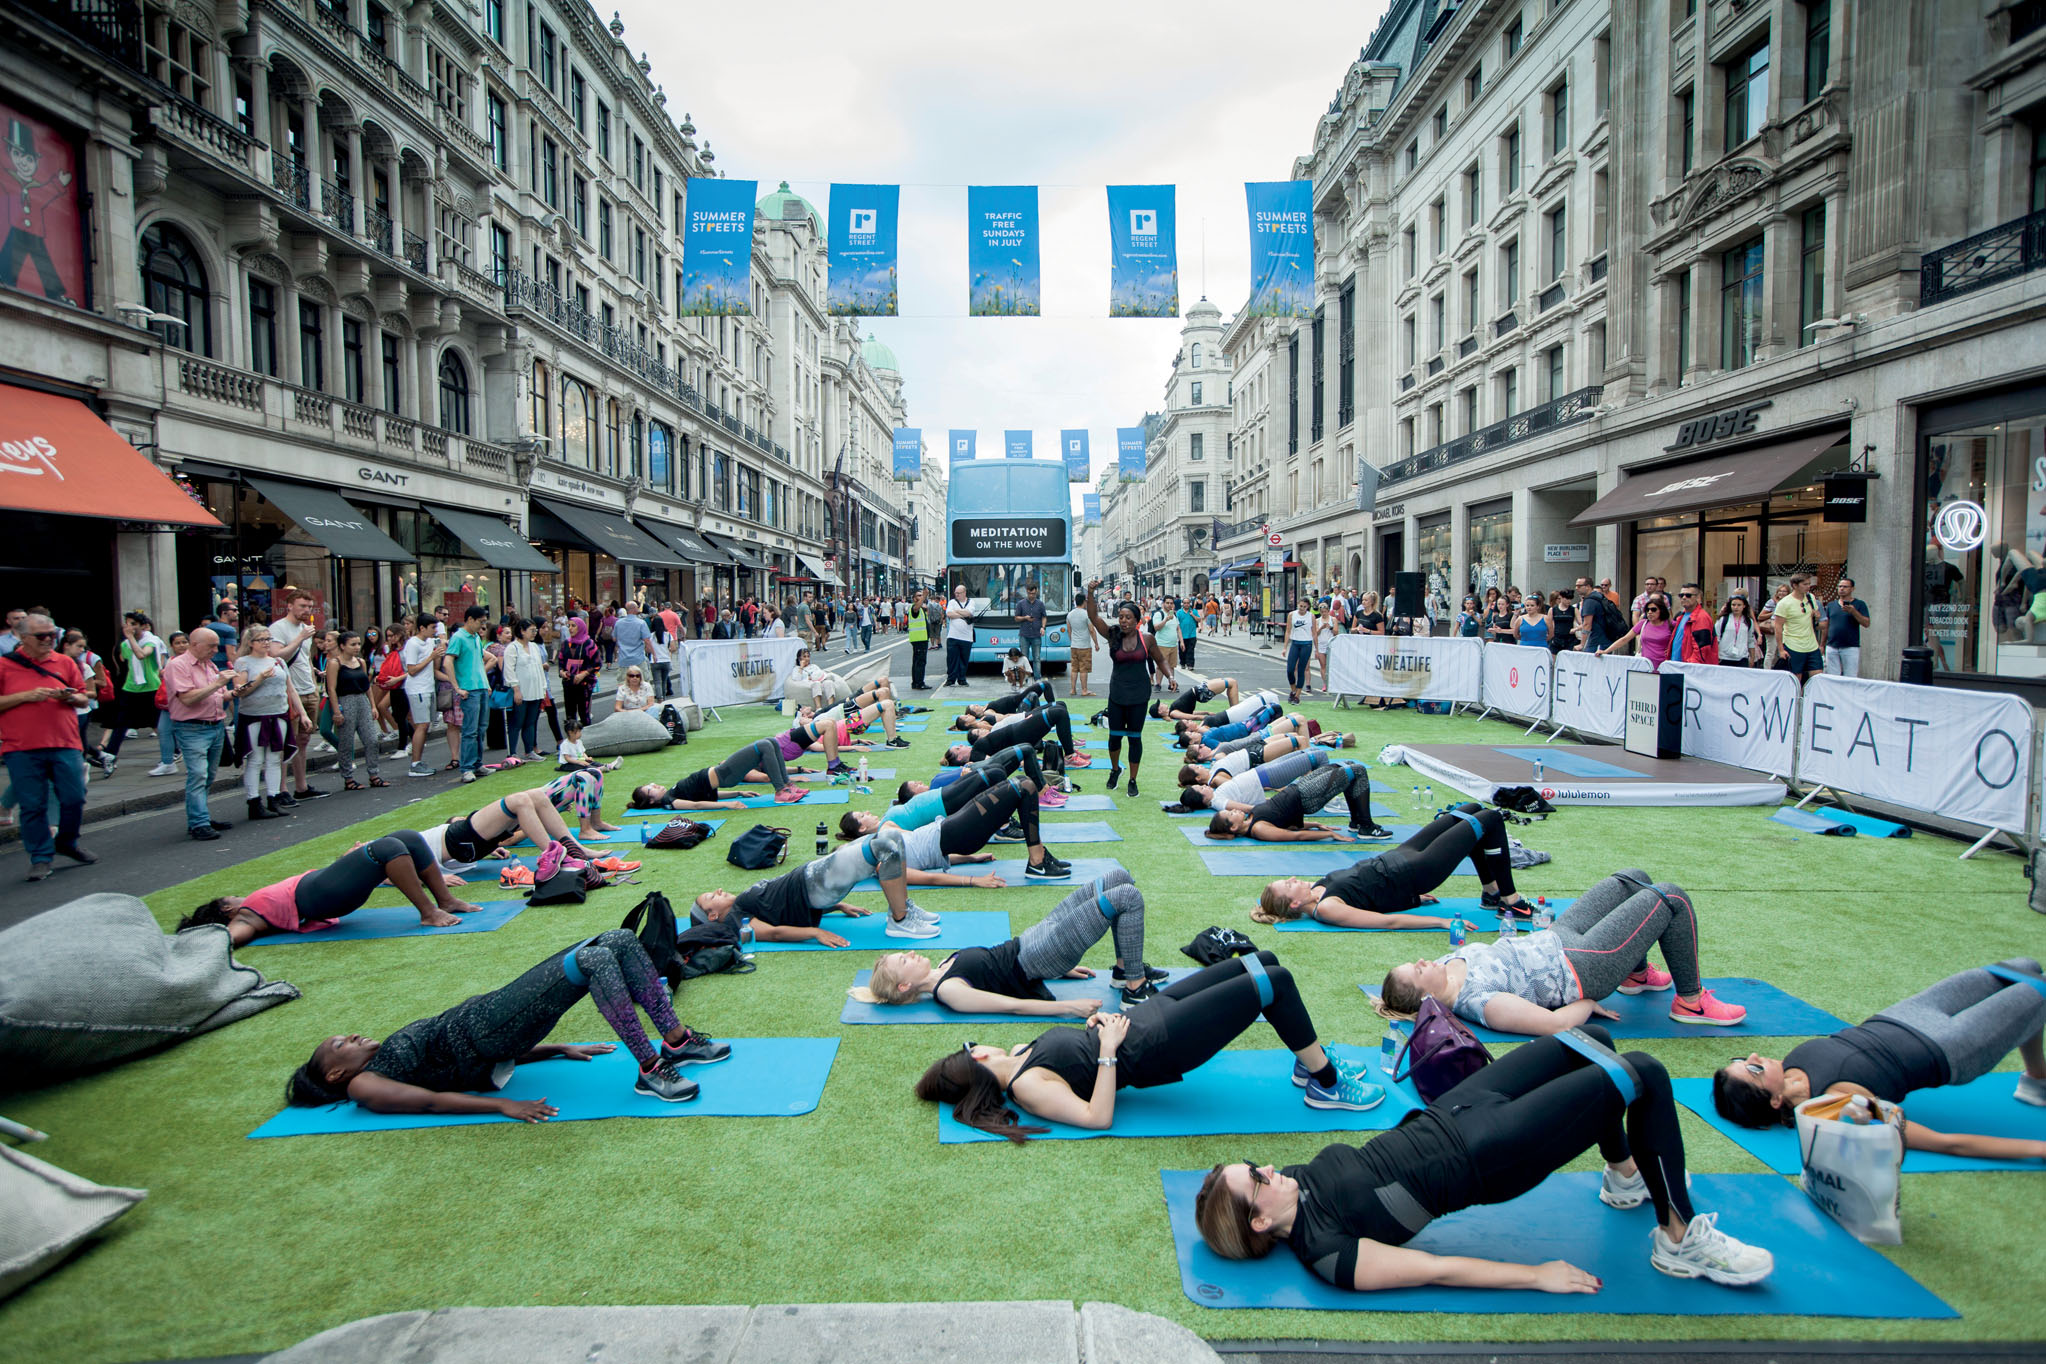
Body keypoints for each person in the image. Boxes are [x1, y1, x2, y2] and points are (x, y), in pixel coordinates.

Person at [1194, 1027, 1776, 1291]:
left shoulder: (1289, 1188)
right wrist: (1536, 1277)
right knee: (1643, 1073)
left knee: (1591, 1039)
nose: (1268, 1168)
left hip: (1456, 1110)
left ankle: (1626, 1176)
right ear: (1260, 1222)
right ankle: (1678, 1239)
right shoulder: (1328, 1253)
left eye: (1255, 1164)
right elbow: (1435, 1270)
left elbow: (1241, 1197)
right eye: (1256, 1179)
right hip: (1489, 1155)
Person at [916, 951, 1385, 1141]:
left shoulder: (1020, 1057)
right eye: (976, 1045)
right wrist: (1107, 1049)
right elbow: (1096, 1118)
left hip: (1143, 1018)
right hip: (1159, 1045)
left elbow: (1070, 1052)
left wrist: (1098, 1023)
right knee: (1274, 984)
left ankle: (1308, 1063)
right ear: (977, 1057)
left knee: (1260, 961)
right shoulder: (1027, 1087)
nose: (983, 1044)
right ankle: (1324, 1084)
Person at [282, 928, 731, 1112]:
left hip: (491, 1021)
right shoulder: (363, 1085)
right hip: (483, 1029)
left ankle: (676, 1041)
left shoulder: (384, 1062)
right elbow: (430, 1102)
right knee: (595, 959)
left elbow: (452, 1070)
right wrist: (503, 1106)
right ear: (337, 1073)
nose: (352, 1035)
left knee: (618, 939)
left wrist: (556, 1049)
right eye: (341, 1044)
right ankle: (650, 1070)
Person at [1711, 959, 2046, 1160]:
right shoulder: (1837, 1104)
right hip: (1952, 1047)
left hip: (1907, 1014)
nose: (1755, 1056)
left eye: (1744, 1058)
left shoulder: (1789, 1067)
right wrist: (2039, 1150)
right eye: (1753, 1068)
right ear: (1775, 1100)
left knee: (2023, 968)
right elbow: (1949, 1143)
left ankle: (2036, 1079)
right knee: (2037, 992)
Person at [1375, 867, 1748, 1034]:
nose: (1424, 961)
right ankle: (1692, 1001)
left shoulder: (1443, 967)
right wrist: (1589, 1004)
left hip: (1559, 936)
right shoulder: (1480, 1001)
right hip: (1581, 967)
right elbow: (1554, 1025)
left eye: (1415, 962)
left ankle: (1635, 975)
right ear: (1429, 998)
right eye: (1419, 970)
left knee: (1633, 879)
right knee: (1669, 896)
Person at [856, 870, 1160, 1014]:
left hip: (1038, 936)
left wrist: (1061, 970)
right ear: (904, 987)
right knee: (1127, 898)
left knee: (1118, 878)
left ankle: (1123, 974)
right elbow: (1011, 1005)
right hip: (1044, 951)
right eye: (904, 960)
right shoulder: (949, 991)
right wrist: (1070, 1007)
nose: (910, 952)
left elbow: (995, 970)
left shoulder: (942, 967)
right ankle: (1134, 990)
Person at [1252, 807, 1534, 929]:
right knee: (1491, 819)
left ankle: (1491, 892)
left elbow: (1368, 896)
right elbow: (1386, 921)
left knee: (1468, 811)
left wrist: (1411, 900)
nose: (1291, 878)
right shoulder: (1325, 909)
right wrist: (1441, 921)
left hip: (1400, 856)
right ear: (1296, 903)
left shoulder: (1313, 891)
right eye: (1288, 885)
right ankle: (1511, 902)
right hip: (1418, 870)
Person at [179, 830, 482, 944]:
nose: (237, 895)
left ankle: (446, 900)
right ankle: (428, 912)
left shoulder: (252, 907)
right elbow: (227, 939)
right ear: (226, 908)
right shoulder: (245, 915)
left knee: (409, 838)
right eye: (231, 897)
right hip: (323, 895)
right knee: (388, 847)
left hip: (325, 885)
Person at [694, 821, 933, 942]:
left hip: (814, 880)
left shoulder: (743, 907)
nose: (718, 890)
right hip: (814, 884)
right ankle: (900, 920)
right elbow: (774, 933)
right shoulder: (738, 919)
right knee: (886, 843)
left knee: (890, 839)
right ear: (713, 916)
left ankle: (902, 909)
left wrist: (837, 906)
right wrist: (815, 932)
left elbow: (781, 906)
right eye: (711, 898)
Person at [839, 766, 1071, 883]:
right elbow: (929, 877)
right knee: (1025, 787)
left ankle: (1037, 858)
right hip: (956, 834)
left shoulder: (880, 839)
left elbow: (925, 855)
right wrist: (972, 881)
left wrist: (970, 858)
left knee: (1020, 781)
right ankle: (1037, 861)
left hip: (950, 829)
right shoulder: (881, 866)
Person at [0, 613, 95, 879]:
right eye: (41, 636)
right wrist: (26, 696)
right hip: (21, 747)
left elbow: (83, 697)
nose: (49, 640)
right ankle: (41, 857)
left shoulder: (64, 662)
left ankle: (67, 842)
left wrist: (72, 698)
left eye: (52, 634)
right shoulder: (5, 666)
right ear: (22, 637)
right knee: (32, 805)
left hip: (65, 742)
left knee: (74, 797)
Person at [1084, 581, 1166, 799]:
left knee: (1134, 738)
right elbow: (1094, 617)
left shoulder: (1147, 639)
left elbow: (1159, 659)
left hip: (1139, 695)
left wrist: (1171, 676)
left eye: (1128, 617)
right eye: (1121, 617)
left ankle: (1132, 779)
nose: (1123, 621)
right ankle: (1115, 770)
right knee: (1114, 737)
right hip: (1118, 694)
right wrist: (1090, 592)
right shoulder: (1113, 635)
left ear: (1137, 621)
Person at [159, 626, 236, 841]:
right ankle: (198, 822)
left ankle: (201, 816)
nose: (215, 650)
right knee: (198, 775)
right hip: (191, 728)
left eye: (216, 646)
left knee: (208, 775)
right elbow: (188, 698)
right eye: (211, 646)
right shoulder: (177, 666)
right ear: (195, 645)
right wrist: (218, 683)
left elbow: (220, 695)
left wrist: (239, 690)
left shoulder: (208, 664)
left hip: (215, 725)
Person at [235, 625, 311, 822]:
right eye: (261, 639)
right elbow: (240, 691)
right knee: (255, 759)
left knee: (276, 758)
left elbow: (291, 689)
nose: (266, 643)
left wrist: (303, 714)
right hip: (254, 716)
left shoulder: (278, 661)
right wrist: (259, 679)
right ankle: (253, 802)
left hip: (278, 714)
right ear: (251, 643)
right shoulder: (243, 662)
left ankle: (273, 797)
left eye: (268, 639)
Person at [1205, 763, 1391, 842]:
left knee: (1342, 766)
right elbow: (1295, 835)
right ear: (1233, 828)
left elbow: (1284, 820)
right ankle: (1366, 826)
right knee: (1356, 770)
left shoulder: (1250, 818)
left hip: (1299, 788)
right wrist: (1329, 836)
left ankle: (1356, 821)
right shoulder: (1258, 829)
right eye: (1231, 815)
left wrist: (1316, 824)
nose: (1235, 811)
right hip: (1307, 797)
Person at [630, 736, 807, 810]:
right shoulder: (669, 800)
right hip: (725, 774)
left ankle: (787, 786)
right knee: (764, 745)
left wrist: (738, 793)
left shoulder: (671, 792)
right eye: (650, 789)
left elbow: (708, 795)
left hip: (724, 775)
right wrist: (727, 805)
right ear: (650, 800)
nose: (654, 785)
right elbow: (696, 805)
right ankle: (781, 791)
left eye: (651, 784)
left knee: (771, 742)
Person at [267, 590, 326, 802]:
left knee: (303, 740)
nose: (307, 611)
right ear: (289, 605)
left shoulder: (304, 629)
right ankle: (282, 789)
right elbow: (275, 656)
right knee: (287, 742)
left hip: (308, 689)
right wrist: (300, 638)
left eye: (309, 607)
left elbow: (305, 659)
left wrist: (315, 679)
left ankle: (301, 787)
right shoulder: (278, 628)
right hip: (289, 692)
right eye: (302, 606)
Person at [98, 611, 167, 776]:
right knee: (121, 723)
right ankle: (110, 756)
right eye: (128, 624)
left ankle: (174, 751)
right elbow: (124, 661)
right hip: (131, 687)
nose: (130, 628)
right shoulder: (125, 645)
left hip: (150, 687)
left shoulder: (151, 640)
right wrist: (128, 641)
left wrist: (130, 638)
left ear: (143, 626)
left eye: (134, 624)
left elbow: (142, 655)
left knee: (158, 723)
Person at [316, 630, 381, 791]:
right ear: (342, 646)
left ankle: (374, 774)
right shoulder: (335, 663)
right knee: (346, 742)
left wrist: (373, 705)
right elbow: (331, 688)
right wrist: (336, 710)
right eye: (352, 644)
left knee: (371, 739)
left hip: (362, 701)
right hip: (345, 701)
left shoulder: (361, 662)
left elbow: (367, 686)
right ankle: (348, 777)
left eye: (358, 644)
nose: (356, 647)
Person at [445, 605, 491, 782]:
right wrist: (456, 687)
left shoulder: (475, 637)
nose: (482, 626)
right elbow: (448, 662)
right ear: (470, 619)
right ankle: (467, 767)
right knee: (470, 730)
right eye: (480, 622)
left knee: (480, 729)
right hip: (469, 689)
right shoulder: (458, 637)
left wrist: (485, 683)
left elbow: (479, 662)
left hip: (479, 687)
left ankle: (477, 764)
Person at [399, 615, 445, 778]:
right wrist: (431, 657)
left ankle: (418, 761)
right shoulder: (413, 644)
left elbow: (442, 644)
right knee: (422, 725)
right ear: (422, 628)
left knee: (425, 725)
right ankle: (415, 764)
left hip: (428, 687)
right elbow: (411, 670)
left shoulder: (429, 642)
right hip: (418, 689)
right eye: (432, 628)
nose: (435, 631)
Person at [503, 617, 548, 760]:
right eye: (531, 630)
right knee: (517, 722)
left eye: (535, 630)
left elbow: (539, 669)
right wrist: (516, 689)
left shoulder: (534, 647)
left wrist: (543, 688)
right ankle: (513, 753)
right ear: (522, 631)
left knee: (530, 722)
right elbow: (509, 670)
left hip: (535, 690)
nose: (534, 633)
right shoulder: (513, 647)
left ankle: (529, 750)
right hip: (521, 691)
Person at [1769, 572, 1825, 684]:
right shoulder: (1784, 603)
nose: (1808, 586)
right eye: (1805, 584)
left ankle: (1809, 699)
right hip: (1793, 644)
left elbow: (1816, 620)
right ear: (1795, 585)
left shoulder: (1810, 597)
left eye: (1809, 584)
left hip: (1811, 644)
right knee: (1796, 678)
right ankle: (1795, 700)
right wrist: (1781, 649)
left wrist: (1817, 616)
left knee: (1817, 676)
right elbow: (1778, 626)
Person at [1600, 598, 1676, 669]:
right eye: (1647, 610)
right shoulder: (1643, 623)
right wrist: (1606, 651)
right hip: (1645, 666)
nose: (1650, 612)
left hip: (1664, 666)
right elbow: (1625, 639)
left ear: (1661, 610)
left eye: (1653, 609)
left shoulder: (1670, 624)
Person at [557, 616, 602, 728]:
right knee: (570, 714)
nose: (570, 628)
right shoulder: (565, 644)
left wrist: (584, 674)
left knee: (584, 713)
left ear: (580, 627)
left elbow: (597, 663)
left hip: (584, 684)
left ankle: (586, 738)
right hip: (569, 683)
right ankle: (572, 740)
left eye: (573, 626)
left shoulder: (589, 644)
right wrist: (562, 672)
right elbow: (561, 662)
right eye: (569, 626)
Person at [1822, 577, 1870, 677]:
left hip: (1850, 647)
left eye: (1845, 586)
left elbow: (1866, 623)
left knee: (1850, 676)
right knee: (1832, 677)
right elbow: (1826, 626)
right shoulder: (1831, 605)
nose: (1842, 589)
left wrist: (1853, 612)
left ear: (1852, 589)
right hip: (1832, 646)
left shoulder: (1859, 604)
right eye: (1840, 586)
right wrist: (1822, 644)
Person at [1672, 583, 1718, 665]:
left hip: (1689, 669)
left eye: (1688, 595)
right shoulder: (1681, 616)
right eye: (1681, 595)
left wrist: (1689, 666)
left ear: (1698, 598)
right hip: (1677, 665)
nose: (1684, 597)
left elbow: (1702, 649)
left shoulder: (1701, 617)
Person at [1015, 581, 1047, 681]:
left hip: (1036, 634)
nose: (1031, 595)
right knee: (1024, 658)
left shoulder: (1040, 604)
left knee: (1037, 658)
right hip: (1024, 634)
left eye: (1033, 593)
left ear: (1036, 592)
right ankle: (1024, 678)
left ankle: (1037, 678)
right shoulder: (1021, 604)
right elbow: (1016, 618)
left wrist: (1043, 627)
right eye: (1029, 593)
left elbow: (1044, 617)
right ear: (1026, 592)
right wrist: (1025, 618)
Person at [943, 584, 975, 686]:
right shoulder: (952, 602)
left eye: (959, 593)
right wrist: (963, 613)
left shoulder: (971, 602)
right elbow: (949, 614)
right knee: (952, 659)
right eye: (955, 593)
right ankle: (950, 679)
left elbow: (969, 613)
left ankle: (962, 679)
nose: (956, 595)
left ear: (964, 593)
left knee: (964, 660)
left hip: (966, 637)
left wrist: (956, 611)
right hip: (953, 636)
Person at [1716, 593, 1760, 666]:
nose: (1736, 607)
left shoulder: (1748, 621)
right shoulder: (1723, 619)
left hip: (1742, 657)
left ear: (1744, 606)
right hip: (1724, 657)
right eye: (1733, 605)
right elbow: (1716, 638)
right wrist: (1716, 655)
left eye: (1739, 605)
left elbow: (1750, 640)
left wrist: (1752, 658)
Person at [906, 589, 932, 690]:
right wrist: (924, 596)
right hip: (919, 639)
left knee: (917, 661)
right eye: (918, 595)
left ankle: (916, 682)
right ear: (914, 599)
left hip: (921, 639)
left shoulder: (921, 609)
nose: (921, 597)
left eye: (921, 595)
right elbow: (916, 607)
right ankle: (919, 683)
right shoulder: (914, 608)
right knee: (920, 662)